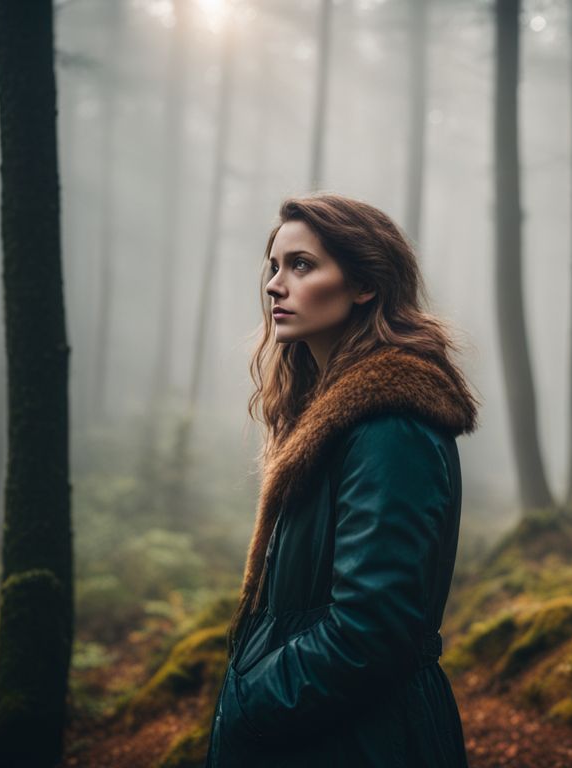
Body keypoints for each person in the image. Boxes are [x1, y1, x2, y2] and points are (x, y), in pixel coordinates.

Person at [205, 192, 478, 767]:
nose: (276, 285)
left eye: (302, 265)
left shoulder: (390, 423)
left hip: (363, 740)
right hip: (327, 729)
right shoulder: (331, 415)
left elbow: (371, 629)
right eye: (274, 267)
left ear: (364, 284)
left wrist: (251, 704)